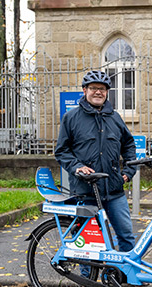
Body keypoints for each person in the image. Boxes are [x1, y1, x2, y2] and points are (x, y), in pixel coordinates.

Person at [55, 70, 137, 253]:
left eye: (102, 89)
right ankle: (88, 279)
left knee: (126, 236)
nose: (98, 92)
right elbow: (62, 151)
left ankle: (123, 278)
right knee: (87, 241)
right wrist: (77, 167)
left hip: (114, 191)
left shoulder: (115, 118)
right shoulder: (71, 118)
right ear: (84, 90)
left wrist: (128, 173)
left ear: (107, 92)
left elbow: (129, 145)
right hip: (86, 191)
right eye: (93, 88)